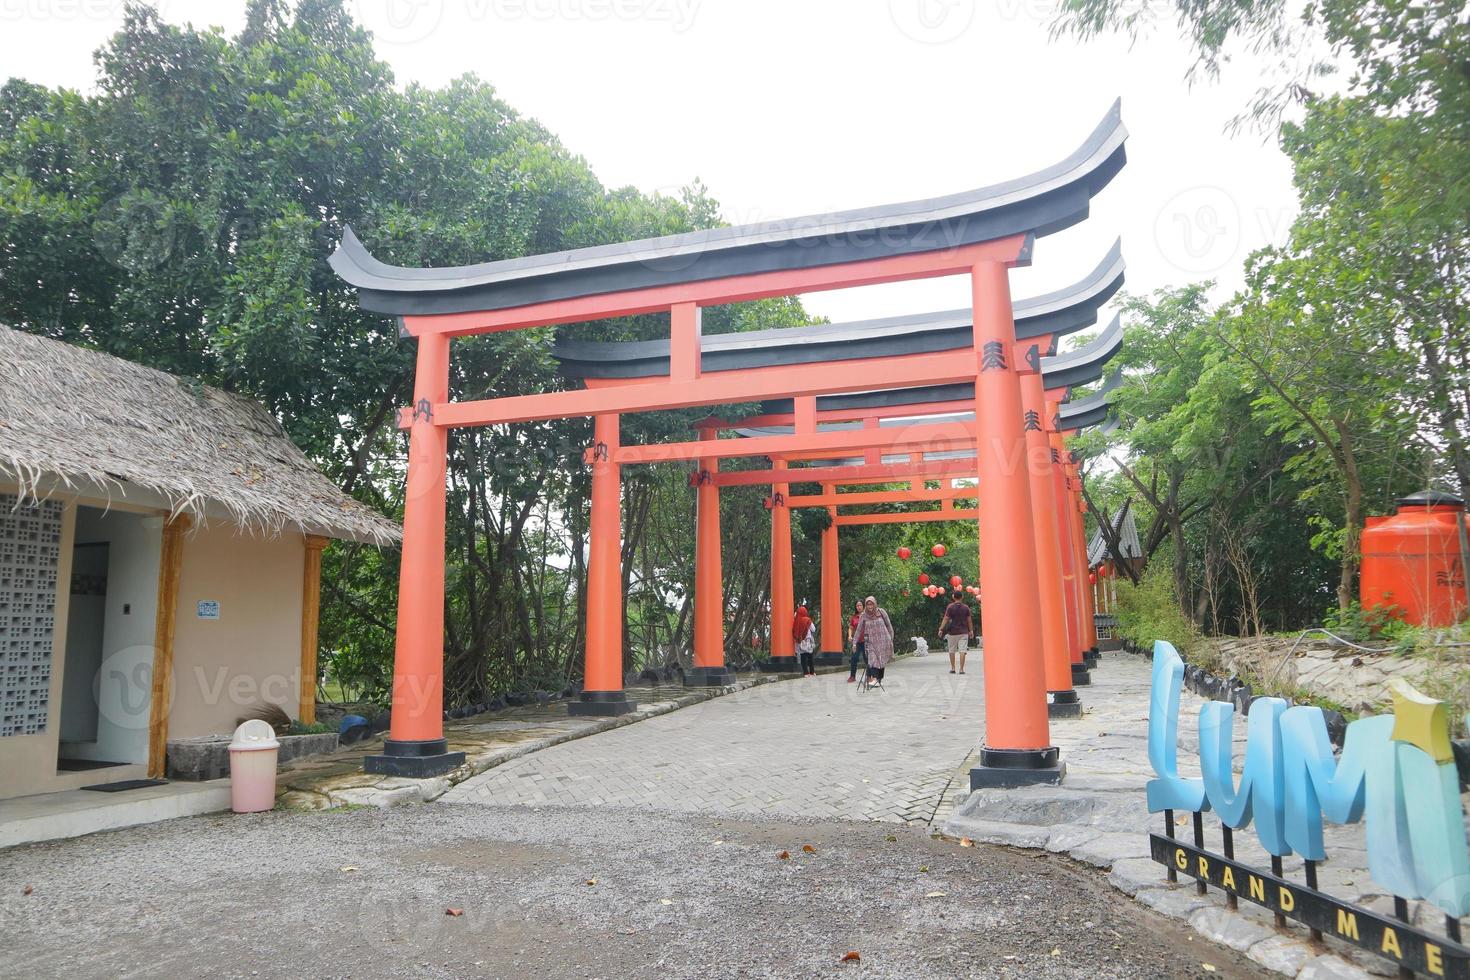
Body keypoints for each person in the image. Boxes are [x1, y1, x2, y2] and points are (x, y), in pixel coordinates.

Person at [852, 595, 894, 688]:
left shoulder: (881, 612)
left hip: (883, 640)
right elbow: (858, 630)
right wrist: (854, 643)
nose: (870, 606)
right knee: (872, 660)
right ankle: (874, 678)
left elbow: (889, 626)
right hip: (870, 642)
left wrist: (891, 639)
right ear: (865, 606)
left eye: (871, 604)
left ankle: (879, 679)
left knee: (881, 661)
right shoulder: (864, 616)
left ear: (875, 604)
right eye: (868, 605)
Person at [939, 593, 975, 674]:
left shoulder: (950, 607)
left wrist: (941, 629)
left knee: (951, 650)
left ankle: (953, 668)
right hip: (964, 632)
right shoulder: (966, 607)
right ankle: (961, 669)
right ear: (962, 597)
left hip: (952, 632)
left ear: (953, 597)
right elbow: (969, 620)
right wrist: (971, 630)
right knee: (962, 650)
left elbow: (946, 618)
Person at [793, 604, 817, 676]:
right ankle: (812, 672)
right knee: (810, 657)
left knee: (803, 657)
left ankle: (806, 673)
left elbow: (794, 631)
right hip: (808, 641)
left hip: (800, 641)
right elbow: (814, 629)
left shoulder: (796, 621)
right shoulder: (807, 620)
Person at [847, 599, 865, 684]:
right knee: (854, 658)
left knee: (867, 659)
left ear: (863, 606)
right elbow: (851, 628)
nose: (859, 607)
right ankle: (852, 676)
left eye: (860, 605)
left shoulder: (867, 615)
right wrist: (850, 636)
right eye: (857, 605)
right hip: (857, 642)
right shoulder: (854, 617)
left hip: (866, 641)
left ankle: (870, 677)